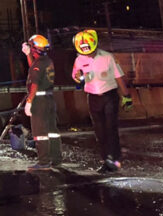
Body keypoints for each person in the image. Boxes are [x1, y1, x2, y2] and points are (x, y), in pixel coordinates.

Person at [71, 29, 133, 173]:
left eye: (88, 49)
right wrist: (78, 76)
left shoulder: (107, 57)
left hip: (109, 96)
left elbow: (119, 78)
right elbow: (75, 76)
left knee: (111, 128)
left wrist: (127, 96)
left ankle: (114, 158)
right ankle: (106, 160)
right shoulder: (79, 60)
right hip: (92, 97)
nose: (86, 53)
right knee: (100, 131)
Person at [21, 34, 62, 170]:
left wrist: (29, 101)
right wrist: (28, 55)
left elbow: (34, 83)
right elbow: (34, 68)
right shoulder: (47, 61)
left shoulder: (39, 63)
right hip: (49, 99)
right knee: (52, 131)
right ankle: (56, 159)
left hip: (39, 101)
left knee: (40, 133)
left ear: (34, 48)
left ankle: (44, 162)